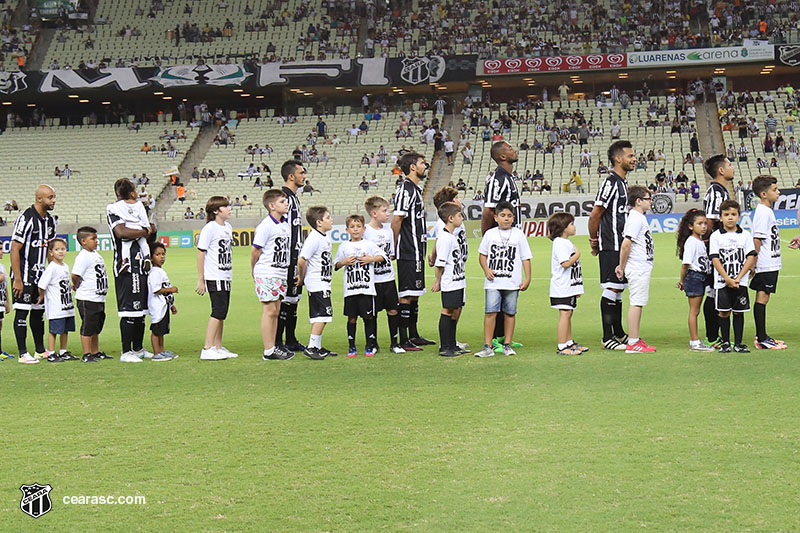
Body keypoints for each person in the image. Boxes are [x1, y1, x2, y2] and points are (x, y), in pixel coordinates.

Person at [588, 141, 633, 350]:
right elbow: (596, 213)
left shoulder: (622, 183)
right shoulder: (611, 182)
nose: (634, 160)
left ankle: (619, 332)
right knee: (611, 287)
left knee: (619, 289)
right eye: (630, 156)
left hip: (621, 244)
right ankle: (607, 337)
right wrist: (594, 240)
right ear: (618, 159)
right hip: (611, 244)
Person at [474, 201, 532, 358]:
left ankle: (507, 344)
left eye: (509, 216)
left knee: (510, 313)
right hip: (493, 282)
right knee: (490, 312)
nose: (506, 219)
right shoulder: (490, 234)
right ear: (495, 217)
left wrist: (528, 278)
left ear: (513, 218)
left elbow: (526, 257)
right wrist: (486, 269)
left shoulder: (519, 234)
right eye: (502, 216)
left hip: (512, 283)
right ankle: (487, 345)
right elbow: (482, 255)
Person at [481, 141, 523, 353]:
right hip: (500, 243)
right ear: (502, 157)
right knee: (498, 288)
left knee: (509, 288)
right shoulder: (498, 179)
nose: (514, 149)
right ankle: (496, 339)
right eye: (509, 148)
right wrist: (488, 237)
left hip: (512, 242)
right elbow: (489, 211)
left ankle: (502, 337)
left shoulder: (508, 177)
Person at [107, 178, 153, 363]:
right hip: (126, 267)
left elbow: (152, 229)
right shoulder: (112, 209)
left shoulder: (139, 207)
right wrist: (145, 231)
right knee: (129, 311)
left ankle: (138, 348)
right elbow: (122, 232)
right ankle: (126, 352)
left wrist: (147, 231)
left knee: (141, 311)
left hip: (141, 264)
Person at [391, 152, 434, 350]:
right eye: (421, 163)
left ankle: (414, 334)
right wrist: (393, 246)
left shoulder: (415, 189)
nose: (425, 165)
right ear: (412, 167)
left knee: (414, 293)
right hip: (408, 251)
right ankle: (403, 338)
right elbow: (397, 220)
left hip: (417, 251)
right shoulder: (405, 190)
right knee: (406, 294)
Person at [11, 184, 56, 364]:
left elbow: (50, 250)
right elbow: (15, 249)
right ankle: (23, 353)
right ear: (39, 199)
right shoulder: (26, 217)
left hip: (40, 276)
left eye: (54, 197)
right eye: (50, 197)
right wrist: (18, 279)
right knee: (22, 312)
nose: (53, 201)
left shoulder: (50, 221)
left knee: (38, 313)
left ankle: (39, 350)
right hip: (24, 275)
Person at [334, 214, 387, 358]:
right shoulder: (344, 246)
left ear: (364, 229)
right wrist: (344, 262)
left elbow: (383, 257)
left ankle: (369, 345)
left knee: (368, 317)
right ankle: (352, 346)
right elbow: (336, 265)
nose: (355, 230)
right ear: (347, 230)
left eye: (358, 227)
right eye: (352, 227)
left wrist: (371, 259)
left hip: (367, 289)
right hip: (350, 290)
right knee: (351, 318)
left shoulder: (369, 244)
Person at [709, 200, 757, 353]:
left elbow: (750, 257)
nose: (730, 218)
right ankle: (725, 343)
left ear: (739, 216)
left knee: (738, 311)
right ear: (721, 218)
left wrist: (738, 278)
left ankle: (738, 343)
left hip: (740, 282)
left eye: (733, 214)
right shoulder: (716, 236)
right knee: (724, 312)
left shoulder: (745, 235)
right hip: (722, 282)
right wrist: (728, 279)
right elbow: (715, 259)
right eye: (726, 215)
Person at [252, 189, 294, 361]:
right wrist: (254, 270)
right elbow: (256, 251)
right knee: (269, 310)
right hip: (267, 272)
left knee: (276, 310)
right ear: (271, 205)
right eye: (282, 201)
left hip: (280, 272)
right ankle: (268, 349)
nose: (286, 204)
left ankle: (273, 346)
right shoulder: (265, 226)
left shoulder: (285, 224)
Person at [614, 186, 655, 353]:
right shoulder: (635, 218)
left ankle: (635, 339)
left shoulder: (639, 217)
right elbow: (626, 244)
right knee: (636, 303)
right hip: (637, 267)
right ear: (639, 201)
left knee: (639, 303)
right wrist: (621, 266)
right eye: (648, 198)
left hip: (642, 266)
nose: (650, 201)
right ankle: (632, 342)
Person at [428, 187, 470, 353]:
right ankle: (446, 346)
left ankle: (452, 344)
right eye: (457, 198)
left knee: (456, 307)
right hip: (450, 278)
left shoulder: (451, 234)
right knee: (448, 310)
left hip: (458, 275)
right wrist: (438, 280)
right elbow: (440, 261)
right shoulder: (445, 233)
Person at [195, 196, 237, 360]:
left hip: (226, 275)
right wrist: (201, 278)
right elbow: (201, 252)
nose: (229, 209)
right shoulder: (210, 228)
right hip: (215, 275)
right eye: (225, 207)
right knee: (218, 311)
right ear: (215, 211)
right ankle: (207, 347)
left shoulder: (228, 227)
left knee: (223, 312)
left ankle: (218, 346)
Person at [749, 175, 786, 350]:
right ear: (764, 194)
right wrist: (753, 264)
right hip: (765, 263)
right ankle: (761, 338)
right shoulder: (763, 212)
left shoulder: (766, 211)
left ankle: (762, 336)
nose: (778, 192)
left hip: (770, 261)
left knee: (765, 298)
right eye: (774, 190)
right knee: (762, 298)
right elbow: (757, 239)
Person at [701, 154, 734, 347]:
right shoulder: (716, 192)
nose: (732, 168)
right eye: (729, 165)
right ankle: (712, 337)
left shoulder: (721, 190)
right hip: (717, 252)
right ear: (721, 170)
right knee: (713, 291)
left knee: (717, 291)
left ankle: (717, 335)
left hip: (723, 250)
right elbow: (711, 221)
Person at [364, 196, 404, 353]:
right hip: (372, 280)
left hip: (388, 278)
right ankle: (372, 343)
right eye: (384, 211)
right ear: (374, 213)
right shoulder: (366, 232)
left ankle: (395, 343)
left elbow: (391, 254)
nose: (388, 214)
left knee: (393, 310)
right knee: (372, 313)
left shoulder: (388, 231)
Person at [297, 206, 337, 360]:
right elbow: (302, 260)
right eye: (328, 217)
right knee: (323, 315)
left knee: (321, 315)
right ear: (319, 222)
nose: (331, 219)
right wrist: (302, 278)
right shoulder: (313, 238)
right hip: (317, 282)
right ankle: (312, 346)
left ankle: (317, 346)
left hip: (323, 281)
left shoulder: (324, 236)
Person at [276, 160, 307, 354]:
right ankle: (278, 342)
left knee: (294, 299)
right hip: (286, 258)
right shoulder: (283, 198)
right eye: (301, 172)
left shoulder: (294, 198)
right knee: (285, 300)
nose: (304, 175)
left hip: (296, 256)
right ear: (291, 176)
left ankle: (291, 339)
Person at [547, 213, 588, 356]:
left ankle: (569, 342)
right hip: (562, 287)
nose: (574, 227)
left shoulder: (566, 242)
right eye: (571, 224)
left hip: (569, 286)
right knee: (565, 314)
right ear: (563, 227)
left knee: (569, 313)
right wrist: (577, 254)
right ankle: (562, 345)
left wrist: (577, 287)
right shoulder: (560, 243)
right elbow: (565, 263)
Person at [675, 210, 715, 352]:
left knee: (696, 310)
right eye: (700, 224)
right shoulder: (691, 242)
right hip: (694, 277)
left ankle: (696, 341)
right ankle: (694, 341)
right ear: (691, 226)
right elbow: (685, 264)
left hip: (701, 277)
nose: (704, 226)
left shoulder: (699, 241)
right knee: (694, 311)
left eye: (705, 223)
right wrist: (682, 280)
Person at [71, 226, 111, 363]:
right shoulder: (83, 256)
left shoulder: (95, 254)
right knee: (88, 326)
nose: (96, 241)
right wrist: (76, 286)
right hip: (88, 298)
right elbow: (75, 275)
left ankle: (95, 351)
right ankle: (87, 353)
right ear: (83, 241)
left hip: (98, 297)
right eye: (93, 239)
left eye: (96, 238)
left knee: (96, 326)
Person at [36, 238, 77, 362]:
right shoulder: (51, 268)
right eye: (57, 249)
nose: (61, 252)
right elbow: (42, 285)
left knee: (65, 330)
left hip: (67, 305)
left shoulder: (65, 266)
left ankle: (63, 351)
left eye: (63, 249)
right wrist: (42, 296)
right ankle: (52, 352)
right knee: (54, 331)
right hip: (56, 306)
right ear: (51, 252)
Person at [111, 179, 151, 274]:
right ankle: (147, 257)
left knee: (125, 246)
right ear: (132, 193)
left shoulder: (117, 206)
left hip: (129, 228)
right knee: (143, 243)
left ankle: (125, 261)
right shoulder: (139, 204)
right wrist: (147, 227)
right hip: (139, 227)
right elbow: (143, 217)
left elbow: (114, 211)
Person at [147, 243, 178, 361]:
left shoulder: (160, 271)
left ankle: (162, 351)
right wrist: (172, 289)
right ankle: (156, 353)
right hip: (157, 307)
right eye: (158, 254)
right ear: (151, 257)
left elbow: (165, 293)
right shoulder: (154, 272)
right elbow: (157, 290)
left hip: (164, 306)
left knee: (162, 331)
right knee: (156, 330)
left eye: (163, 254)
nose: (162, 257)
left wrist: (171, 305)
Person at [0, 247, 10, 359]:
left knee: (0, 325)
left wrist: (7, 301)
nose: (2, 251)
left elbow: (5, 286)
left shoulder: (2, 267)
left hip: (1, 302)